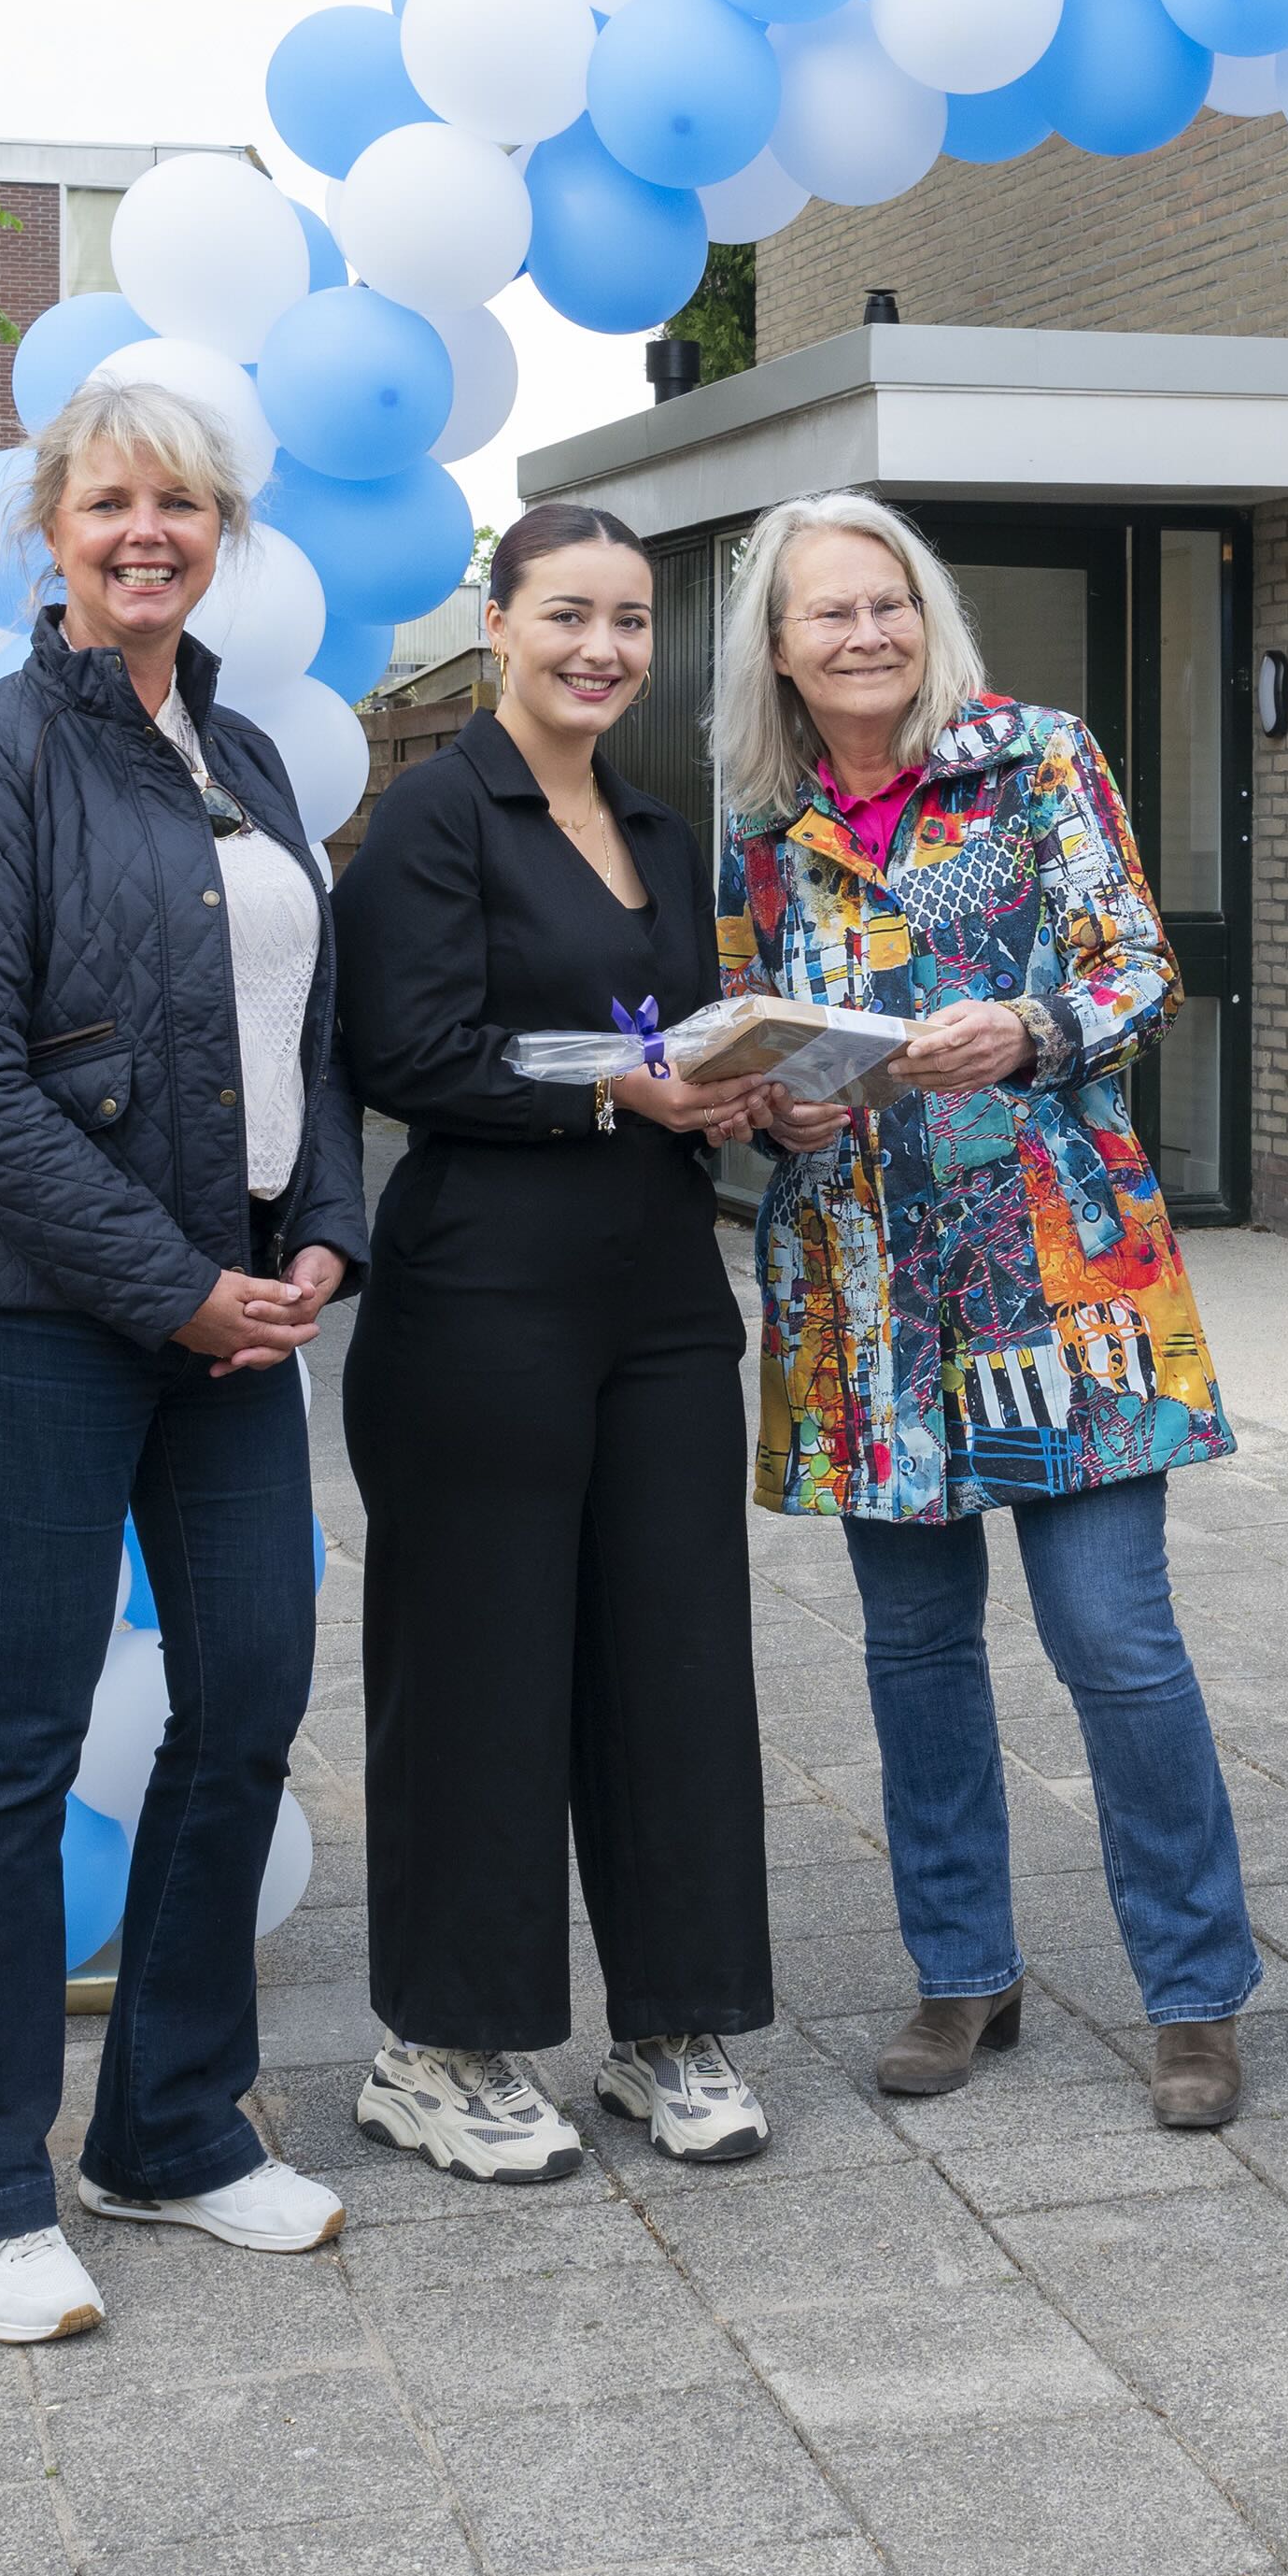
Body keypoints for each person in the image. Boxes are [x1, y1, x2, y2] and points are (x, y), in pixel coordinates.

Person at [0, 369, 368, 2347]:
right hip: (43, 1314)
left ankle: (167, 2129)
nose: (146, 531)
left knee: (245, 1697)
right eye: (110, 502)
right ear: (50, 531)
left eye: (182, 502)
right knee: (19, 1730)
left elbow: (306, 1034)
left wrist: (320, 1225)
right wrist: (175, 1286)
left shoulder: (239, 754)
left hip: (234, 1309)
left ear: (221, 533)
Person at [715, 491, 1258, 2129]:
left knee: (1117, 1642)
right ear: (779, 648)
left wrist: (1029, 1029)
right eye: (829, 612)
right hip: (864, 1295)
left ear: (926, 615)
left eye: (887, 602)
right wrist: (774, 1109)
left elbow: (1139, 967)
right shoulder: (760, 826)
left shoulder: (1039, 758)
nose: (865, 632)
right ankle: (963, 1973)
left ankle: (1195, 1995)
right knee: (915, 1653)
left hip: (1063, 1280)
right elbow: (748, 1029)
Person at [332, 503, 778, 2183]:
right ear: (500, 625)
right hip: (483, 1297)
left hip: (659, 1292)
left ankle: (675, 2025)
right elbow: (408, 1051)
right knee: (482, 1669)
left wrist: (743, 1089)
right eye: (570, 614)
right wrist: (620, 1088)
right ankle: (440, 2047)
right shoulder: (433, 819)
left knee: (677, 1661)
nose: (603, 648)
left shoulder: (659, 828)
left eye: (631, 621)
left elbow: (672, 1038)